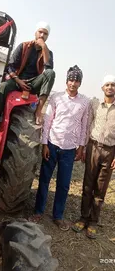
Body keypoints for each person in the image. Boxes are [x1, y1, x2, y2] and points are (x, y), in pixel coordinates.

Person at [32, 65, 90, 230]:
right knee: (44, 180)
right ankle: (38, 211)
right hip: (52, 144)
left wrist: (81, 147)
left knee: (64, 184)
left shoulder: (85, 102)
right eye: (71, 79)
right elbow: (48, 120)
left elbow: (84, 125)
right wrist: (44, 144)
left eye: (76, 80)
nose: (73, 83)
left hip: (70, 149)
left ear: (80, 83)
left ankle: (58, 216)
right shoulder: (56, 97)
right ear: (66, 81)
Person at [72, 75, 115, 239]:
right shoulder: (95, 105)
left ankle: (93, 222)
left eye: (113, 85)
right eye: (107, 85)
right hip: (93, 148)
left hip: (110, 151)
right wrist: (82, 148)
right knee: (87, 185)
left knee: (101, 189)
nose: (110, 87)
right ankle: (83, 218)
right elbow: (87, 125)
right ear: (102, 88)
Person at [0, 21, 55, 130]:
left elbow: (48, 69)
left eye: (45, 34)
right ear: (35, 32)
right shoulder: (24, 46)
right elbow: (10, 66)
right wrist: (18, 80)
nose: (41, 35)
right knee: (3, 86)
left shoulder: (48, 52)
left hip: (33, 84)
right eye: (40, 32)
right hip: (18, 80)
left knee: (51, 73)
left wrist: (44, 47)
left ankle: (38, 110)